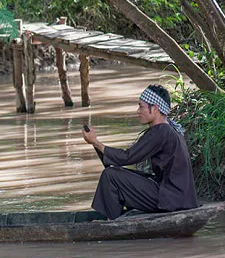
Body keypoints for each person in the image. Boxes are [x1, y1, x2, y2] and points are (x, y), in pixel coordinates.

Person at [82, 84, 197, 220]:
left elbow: (127, 157)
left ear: (154, 108)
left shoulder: (161, 131)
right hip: (178, 196)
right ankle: (118, 217)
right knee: (115, 171)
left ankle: (114, 223)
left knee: (110, 175)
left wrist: (95, 142)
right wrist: (96, 145)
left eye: (141, 107)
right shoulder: (168, 129)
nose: (138, 111)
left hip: (172, 198)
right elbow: (123, 160)